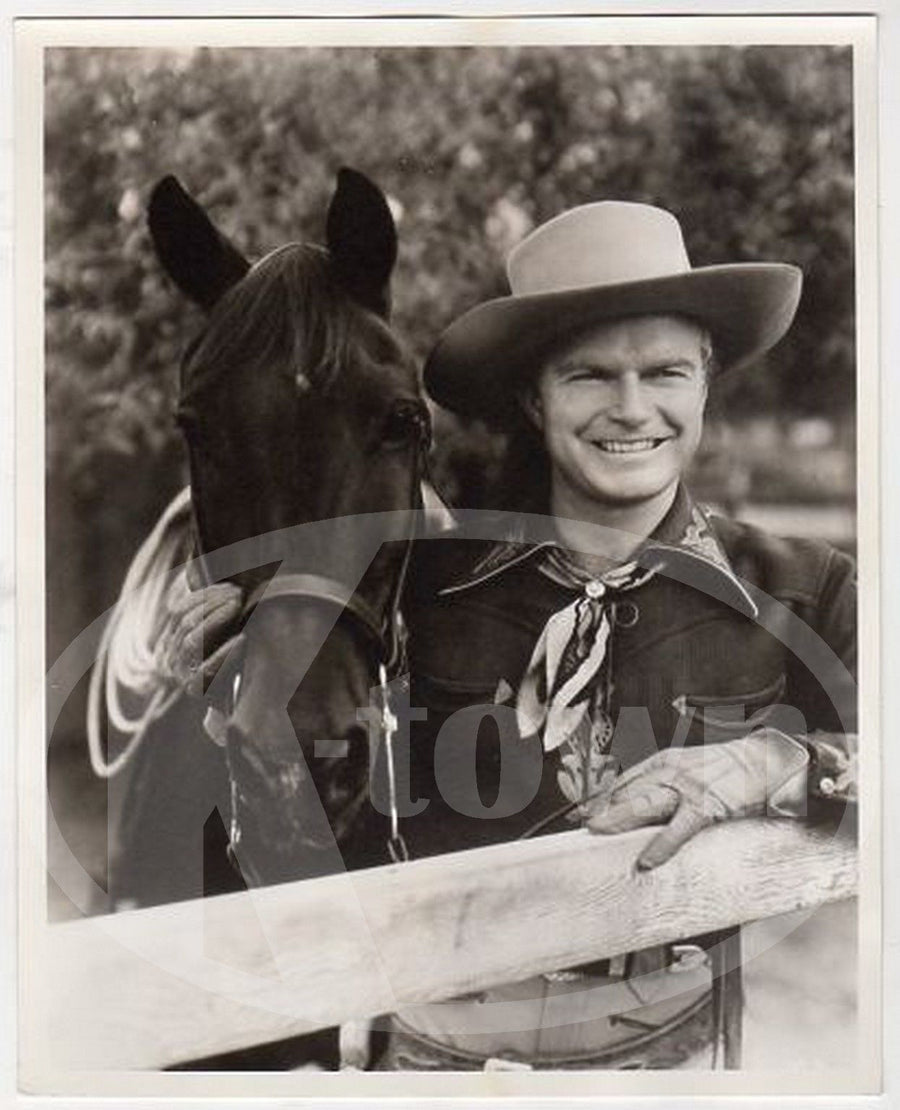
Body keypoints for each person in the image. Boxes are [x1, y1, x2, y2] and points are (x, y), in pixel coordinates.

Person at [159, 199, 858, 1070]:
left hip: (675, 1072)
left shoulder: (805, 592)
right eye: (590, 375)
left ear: (708, 379)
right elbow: (294, 806)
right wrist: (246, 676)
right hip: (430, 1066)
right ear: (534, 397)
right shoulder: (407, 586)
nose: (632, 408)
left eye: (666, 372)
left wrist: (774, 763)